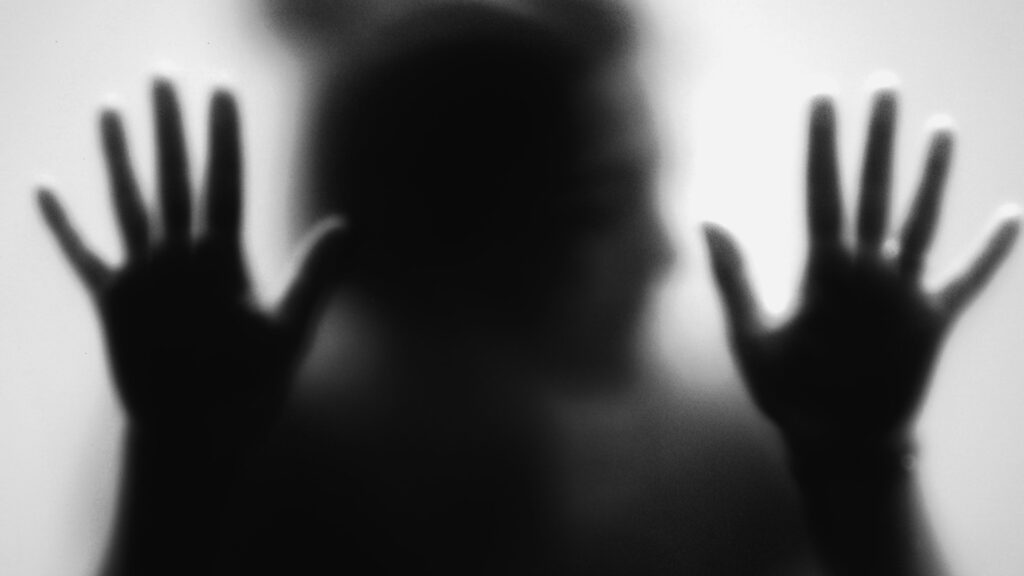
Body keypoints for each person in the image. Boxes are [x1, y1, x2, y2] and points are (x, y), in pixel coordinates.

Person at [38, 2, 1019, 575]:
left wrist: (858, 466)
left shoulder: (731, 465)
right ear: (443, 231)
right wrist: (175, 473)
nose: (664, 256)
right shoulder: (274, 470)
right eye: (606, 204)